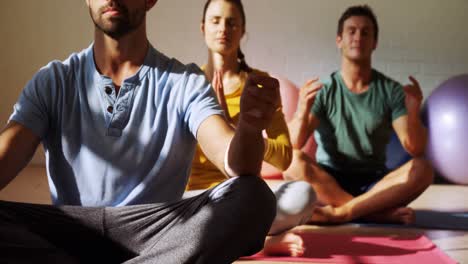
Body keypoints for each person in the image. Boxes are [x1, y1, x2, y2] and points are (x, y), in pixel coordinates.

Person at [0, 0, 282, 263]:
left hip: (156, 233)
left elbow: (232, 161)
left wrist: (249, 127)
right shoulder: (53, 81)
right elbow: (6, 155)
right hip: (69, 230)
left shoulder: (185, 82)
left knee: (254, 196)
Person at [185, 0, 316, 257]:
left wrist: (243, 130)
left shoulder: (261, 85)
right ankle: (261, 241)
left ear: (242, 30)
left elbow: (284, 158)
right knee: (162, 205)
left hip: (244, 197)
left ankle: (230, 238)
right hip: (196, 199)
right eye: (215, 21)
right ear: (203, 28)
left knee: (303, 194)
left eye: (232, 22)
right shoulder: (188, 83)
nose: (223, 28)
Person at [285, 5, 434, 224]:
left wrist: (413, 111)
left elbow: (415, 148)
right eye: (351, 31)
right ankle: (374, 212)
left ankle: (342, 212)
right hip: (330, 181)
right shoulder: (325, 90)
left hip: (375, 182)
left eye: (366, 32)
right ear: (339, 40)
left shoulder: (390, 90)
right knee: (291, 162)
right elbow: (294, 144)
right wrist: (301, 109)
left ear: (374, 43)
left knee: (424, 168)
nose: (358, 37)